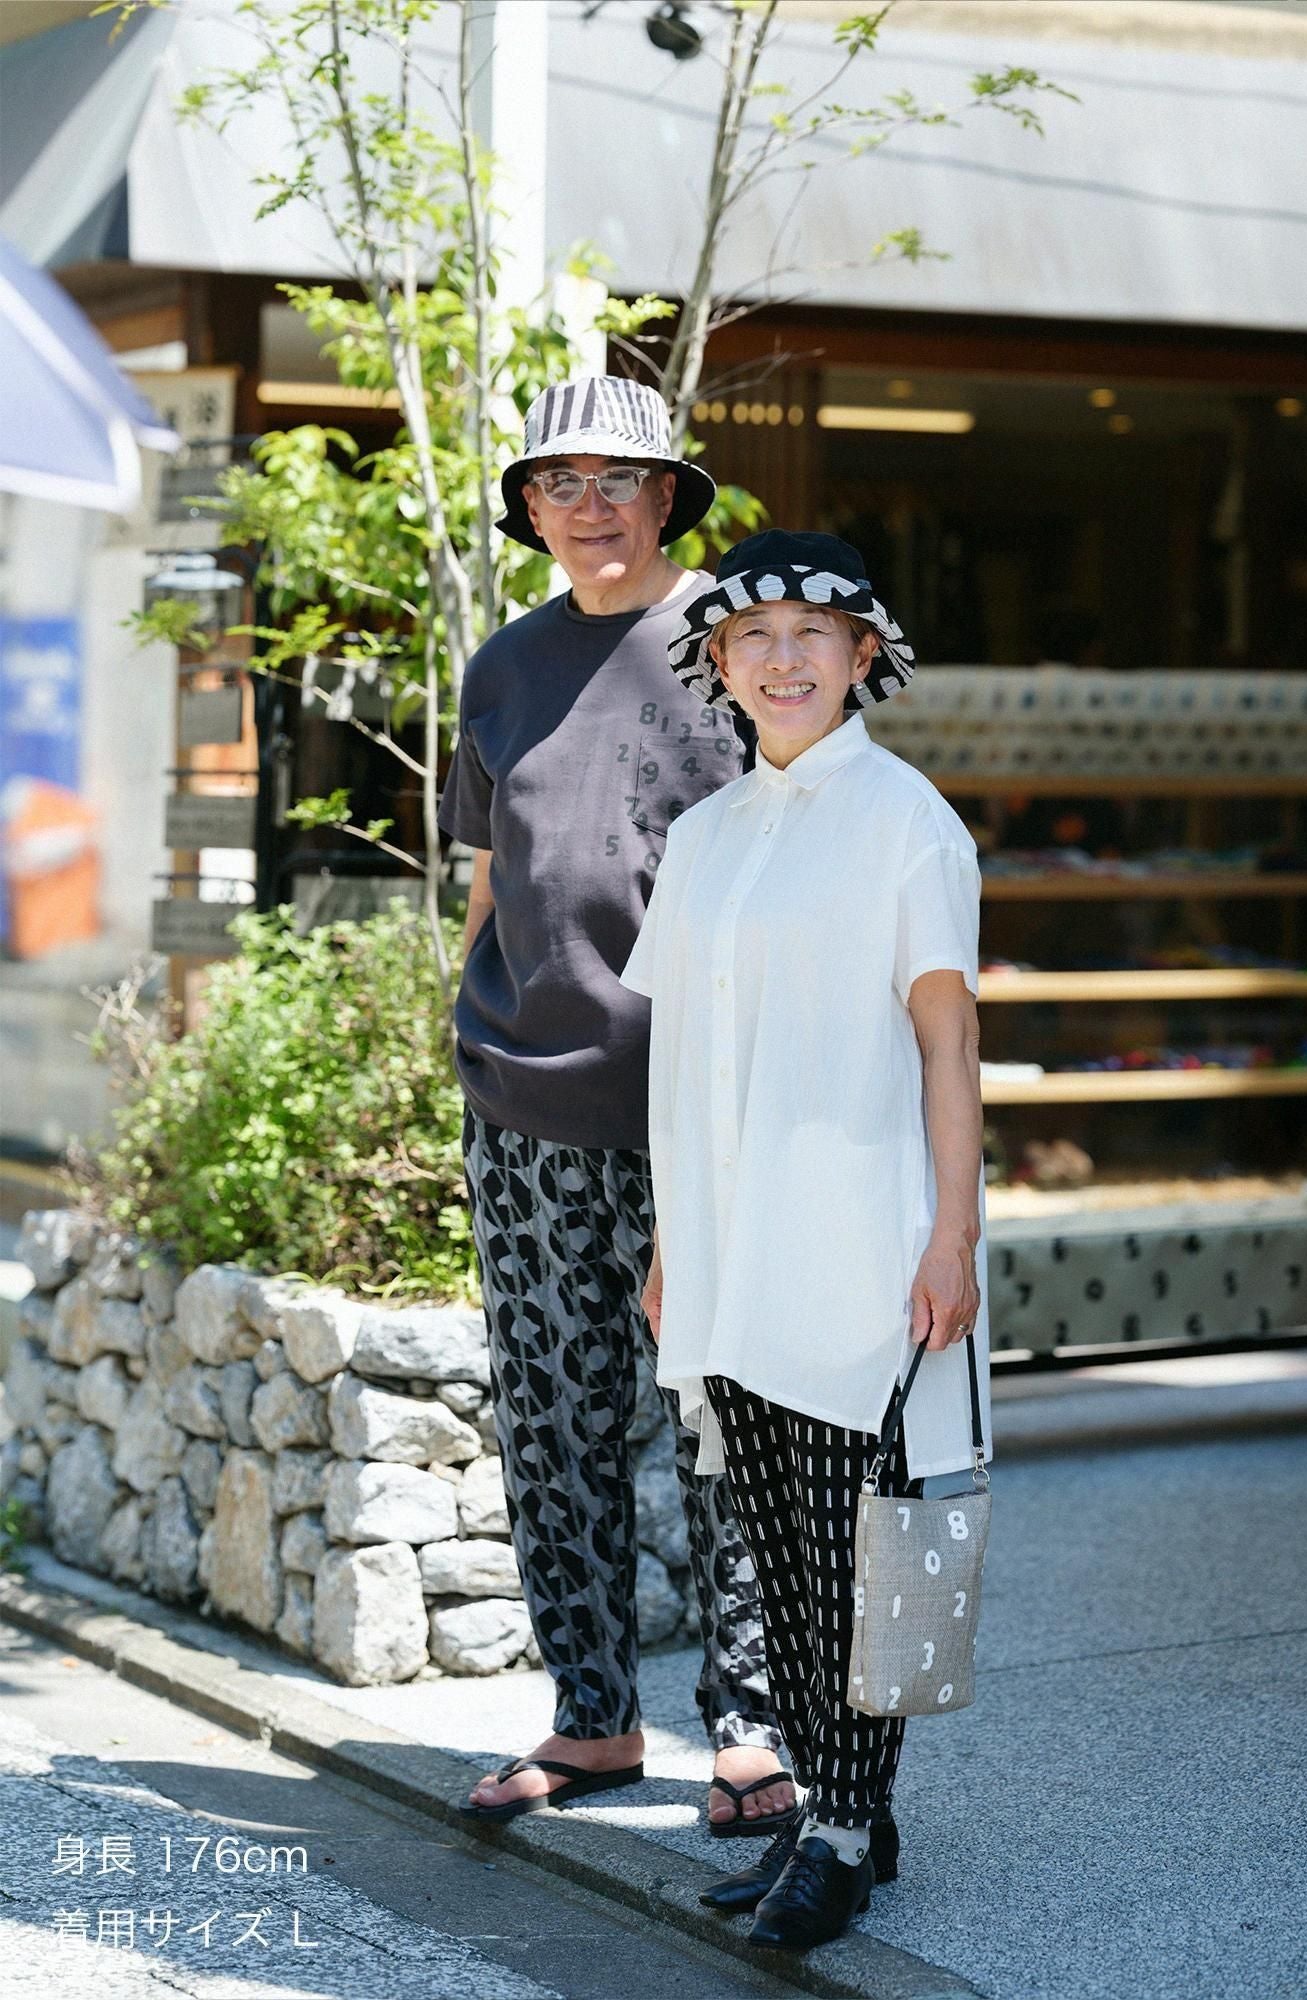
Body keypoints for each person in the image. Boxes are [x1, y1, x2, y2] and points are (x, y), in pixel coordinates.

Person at [620, 529, 993, 1949]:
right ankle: (849, 1812)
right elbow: (684, 1058)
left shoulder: (908, 823)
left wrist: (952, 1234)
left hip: (856, 1240)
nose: (783, 660)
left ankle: (836, 1833)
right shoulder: (704, 836)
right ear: (717, 661)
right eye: (753, 636)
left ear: (859, 656)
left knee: (854, 1551)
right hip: (731, 1249)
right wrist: (673, 1242)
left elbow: (949, 1043)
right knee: (775, 1547)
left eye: (811, 635)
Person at [438, 378, 795, 1836]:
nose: (589, 506)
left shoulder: (741, 650)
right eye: (560, 482)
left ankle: (753, 1731)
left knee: (726, 1423)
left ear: (666, 499)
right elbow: (488, 880)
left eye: (617, 479)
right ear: (530, 510)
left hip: (698, 1117)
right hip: (524, 1107)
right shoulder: (502, 668)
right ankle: (592, 1720)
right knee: (552, 1421)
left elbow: (802, 882)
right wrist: (468, 1031)